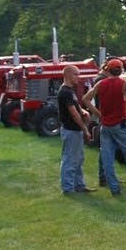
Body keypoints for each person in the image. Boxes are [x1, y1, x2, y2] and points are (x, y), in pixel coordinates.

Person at [82, 59, 126, 196]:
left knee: (107, 158)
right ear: (121, 70)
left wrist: (98, 114)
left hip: (105, 126)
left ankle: (114, 189)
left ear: (108, 69)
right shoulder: (123, 83)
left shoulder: (101, 83)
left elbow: (85, 99)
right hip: (120, 125)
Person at [57, 65, 95, 194]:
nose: (78, 77)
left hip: (75, 130)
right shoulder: (65, 92)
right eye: (76, 74)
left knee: (78, 159)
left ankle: (79, 185)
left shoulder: (70, 91)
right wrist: (85, 128)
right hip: (71, 130)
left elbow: (77, 108)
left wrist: (85, 112)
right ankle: (68, 188)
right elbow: (74, 113)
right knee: (70, 159)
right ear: (67, 75)